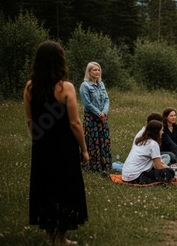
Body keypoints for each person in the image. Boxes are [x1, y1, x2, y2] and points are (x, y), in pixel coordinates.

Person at [23, 40, 88, 245]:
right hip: (64, 147)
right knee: (65, 188)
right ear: (60, 60)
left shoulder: (30, 87)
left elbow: (30, 121)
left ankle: (50, 236)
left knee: (46, 187)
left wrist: (38, 139)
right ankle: (61, 238)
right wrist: (84, 150)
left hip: (42, 146)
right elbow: (75, 123)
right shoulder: (65, 87)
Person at [79, 62, 112, 172]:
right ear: (89, 72)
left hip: (102, 119)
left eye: (98, 70)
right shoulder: (85, 85)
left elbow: (107, 99)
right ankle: (92, 167)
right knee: (92, 142)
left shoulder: (101, 84)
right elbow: (87, 103)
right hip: (92, 119)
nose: (97, 72)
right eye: (94, 70)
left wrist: (104, 112)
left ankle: (104, 165)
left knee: (103, 141)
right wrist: (99, 113)